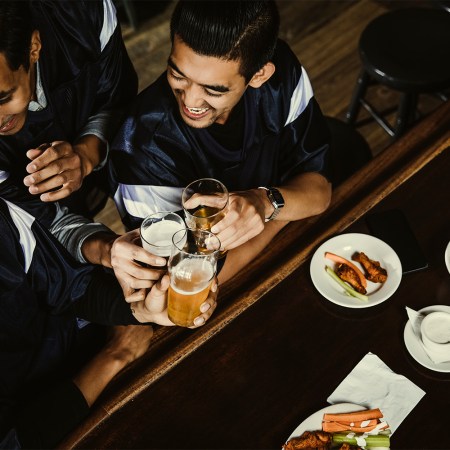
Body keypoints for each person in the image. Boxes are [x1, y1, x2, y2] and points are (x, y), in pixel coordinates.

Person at [108, 0, 332, 286]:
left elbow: (320, 190)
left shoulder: (283, 75)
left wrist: (263, 204)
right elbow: (188, 278)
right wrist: (285, 208)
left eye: (213, 90)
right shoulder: (140, 148)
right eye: (178, 75)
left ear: (260, 75)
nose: (190, 101)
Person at [0, 196, 218, 449]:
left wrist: (142, 310)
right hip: (68, 406)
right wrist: (115, 355)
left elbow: (68, 284)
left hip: (79, 336)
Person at [0, 0, 137, 224]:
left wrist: (85, 155)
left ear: (33, 48)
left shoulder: (85, 11)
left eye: (3, 98)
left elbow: (121, 97)